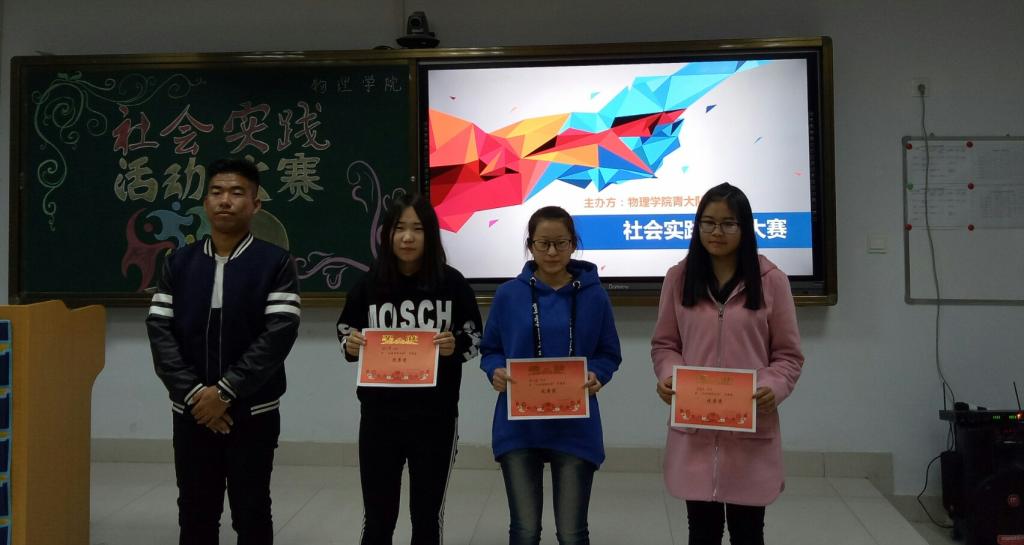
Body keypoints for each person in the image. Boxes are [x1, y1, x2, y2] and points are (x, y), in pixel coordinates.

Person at [147, 157, 301, 545]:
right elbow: (160, 332)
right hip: (192, 412)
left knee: (252, 511)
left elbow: (278, 335)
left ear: (255, 204)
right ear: (205, 202)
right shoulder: (179, 262)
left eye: (236, 192)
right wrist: (197, 396)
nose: (225, 201)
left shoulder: (275, 263)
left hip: (253, 412)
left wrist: (226, 392)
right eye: (216, 192)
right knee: (195, 511)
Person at [650, 182, 804, 545]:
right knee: (701, 533)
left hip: (750, 428)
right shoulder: (678, 278)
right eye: (708, 222)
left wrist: (772, 386)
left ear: (744, 228)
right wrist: (670, 376)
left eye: (727, 223)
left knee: (748, 533)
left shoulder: (772, 281)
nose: (716, 232)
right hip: (695, 428)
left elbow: (788, 355)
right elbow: (665, 345)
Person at [336, 193, 482, 545]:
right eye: (399, 228)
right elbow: (345, 331)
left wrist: (455, 346)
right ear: (387, 234)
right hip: (379, 417)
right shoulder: (369, 284)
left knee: (427, 518)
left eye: (417, 229)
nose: (407, 237)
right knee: (378, 518)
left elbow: (475, 337)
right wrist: (350, 345)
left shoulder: (452, 283)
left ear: (430, 235)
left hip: (435, 418)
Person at [481, 205, 622, 545]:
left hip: (575, 426)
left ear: (574, 244)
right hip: (519, 426)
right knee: (525, 530)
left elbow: (608, 353)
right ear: (530, 245)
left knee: (572, 533)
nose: (552, 252)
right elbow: (491, 349)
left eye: (561, 243)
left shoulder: (594, 296)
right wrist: (494, 370)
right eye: (543, 243)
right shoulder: (508, 295)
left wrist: (597, 375)